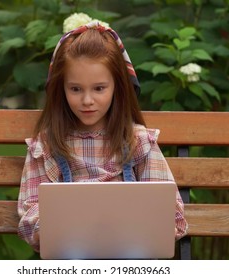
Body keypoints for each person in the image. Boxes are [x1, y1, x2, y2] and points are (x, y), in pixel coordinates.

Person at [17, 21, 188, 252]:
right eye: (76, 89)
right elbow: (30, 214)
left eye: (99, 88)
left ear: (117, 87)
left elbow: (171, 211)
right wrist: (61, 226)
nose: (87, 100)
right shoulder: (48, 145)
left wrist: (149, 224)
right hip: (71, 255)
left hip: (132, 253)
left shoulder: (137, 141)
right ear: (61, 88)